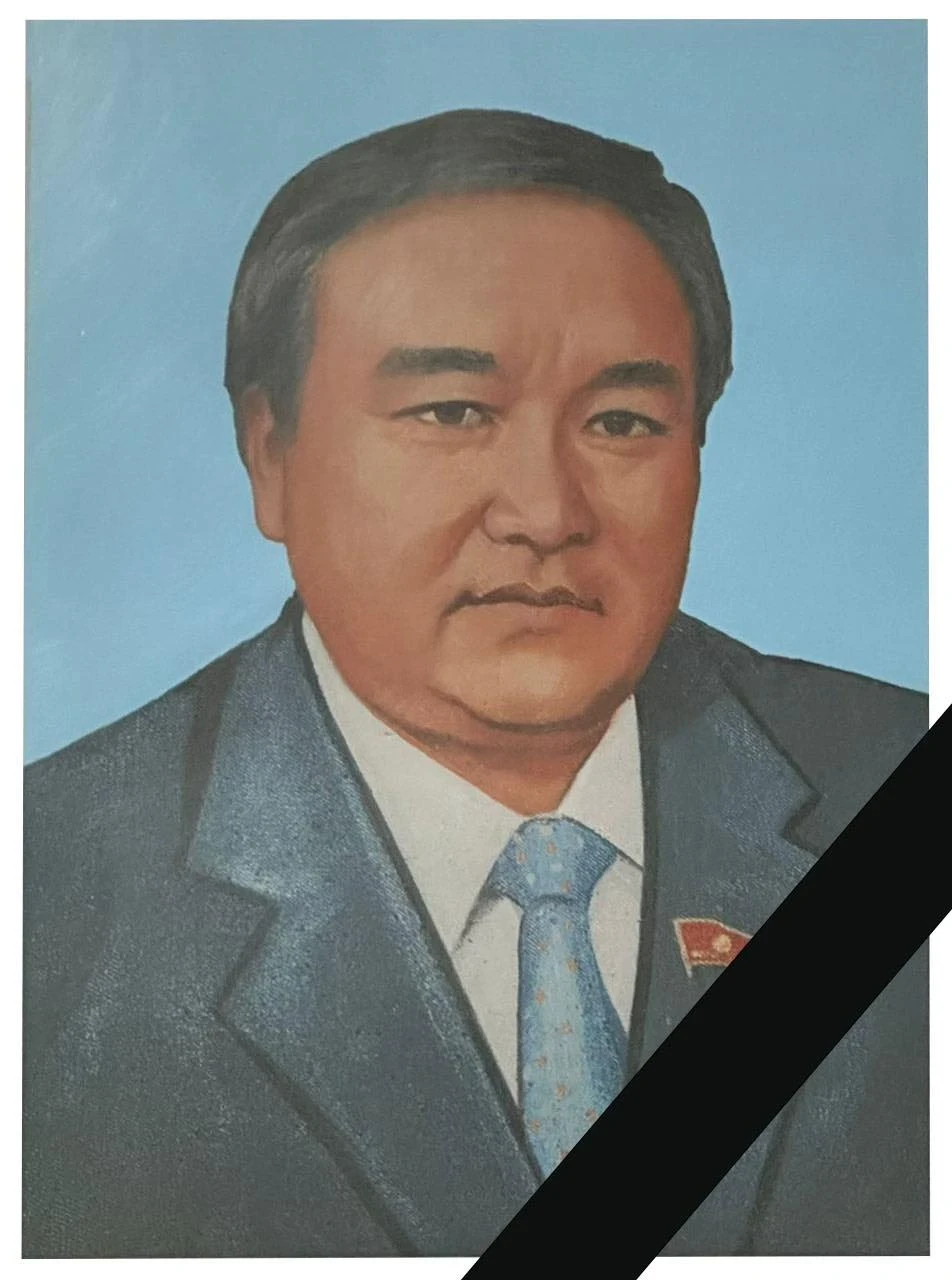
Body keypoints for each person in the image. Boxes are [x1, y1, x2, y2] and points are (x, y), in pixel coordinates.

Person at [23, 108, 928, 1258]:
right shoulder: (48, 892)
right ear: (270, 454)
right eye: (451, 412)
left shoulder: (887, 769)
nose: (545, 513)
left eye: (621, 421)